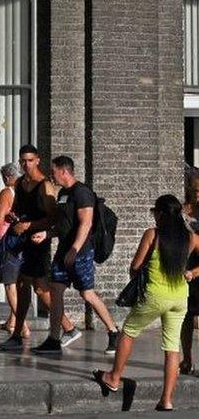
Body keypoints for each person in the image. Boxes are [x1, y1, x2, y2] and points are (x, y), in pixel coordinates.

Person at [94, 195, 199, 412]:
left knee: (128, 332)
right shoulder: (191, 237)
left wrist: (137, 276)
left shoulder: (153, 234)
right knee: (172, 348)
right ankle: (166, 400)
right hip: (180, 298)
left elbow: (135, 265)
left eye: (154, 213)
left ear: (159, 214)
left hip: (154, 295)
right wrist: (192, 272)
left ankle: (113, 378)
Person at [33, 156, 119, 355]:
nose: (51, 176)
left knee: (87, 294)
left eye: (53, 171)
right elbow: (64, 224)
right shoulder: (63, 193)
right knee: (56, 291)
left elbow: (85, 223)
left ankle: (113, 331)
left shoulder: (82, 193)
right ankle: (54, 339)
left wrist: (74, 249)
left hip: (79, 252)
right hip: (64, 251)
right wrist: (47, 233)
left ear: (64, 171)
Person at [0, 145, 78, 352]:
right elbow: (18, 210)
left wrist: (29, 226)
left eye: (29, 160)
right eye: (22, 161)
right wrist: (13, 217)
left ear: (38, 160)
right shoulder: (20, 184)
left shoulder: (45, 185)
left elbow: (53, 218)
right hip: (22, 241)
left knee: (40, 288)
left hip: (37, 242)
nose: (25, 164)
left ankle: (66, 328)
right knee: (25, 286)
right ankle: (19, 333)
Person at [0, 162, 28, 338]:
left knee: (9, 285)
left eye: (3, 177)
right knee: (17, 283)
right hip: (22, 241)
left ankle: (23, 327)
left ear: (9, 177)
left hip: (7, 240)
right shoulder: (24, 192)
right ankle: (12, 322)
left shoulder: (7, 192)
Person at [179, 176, 199, 374]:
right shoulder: (182, 211)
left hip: (195, 269)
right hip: (185, 267)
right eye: (195, 191)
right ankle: (187, 359)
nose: (198, 195)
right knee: (186, 316)